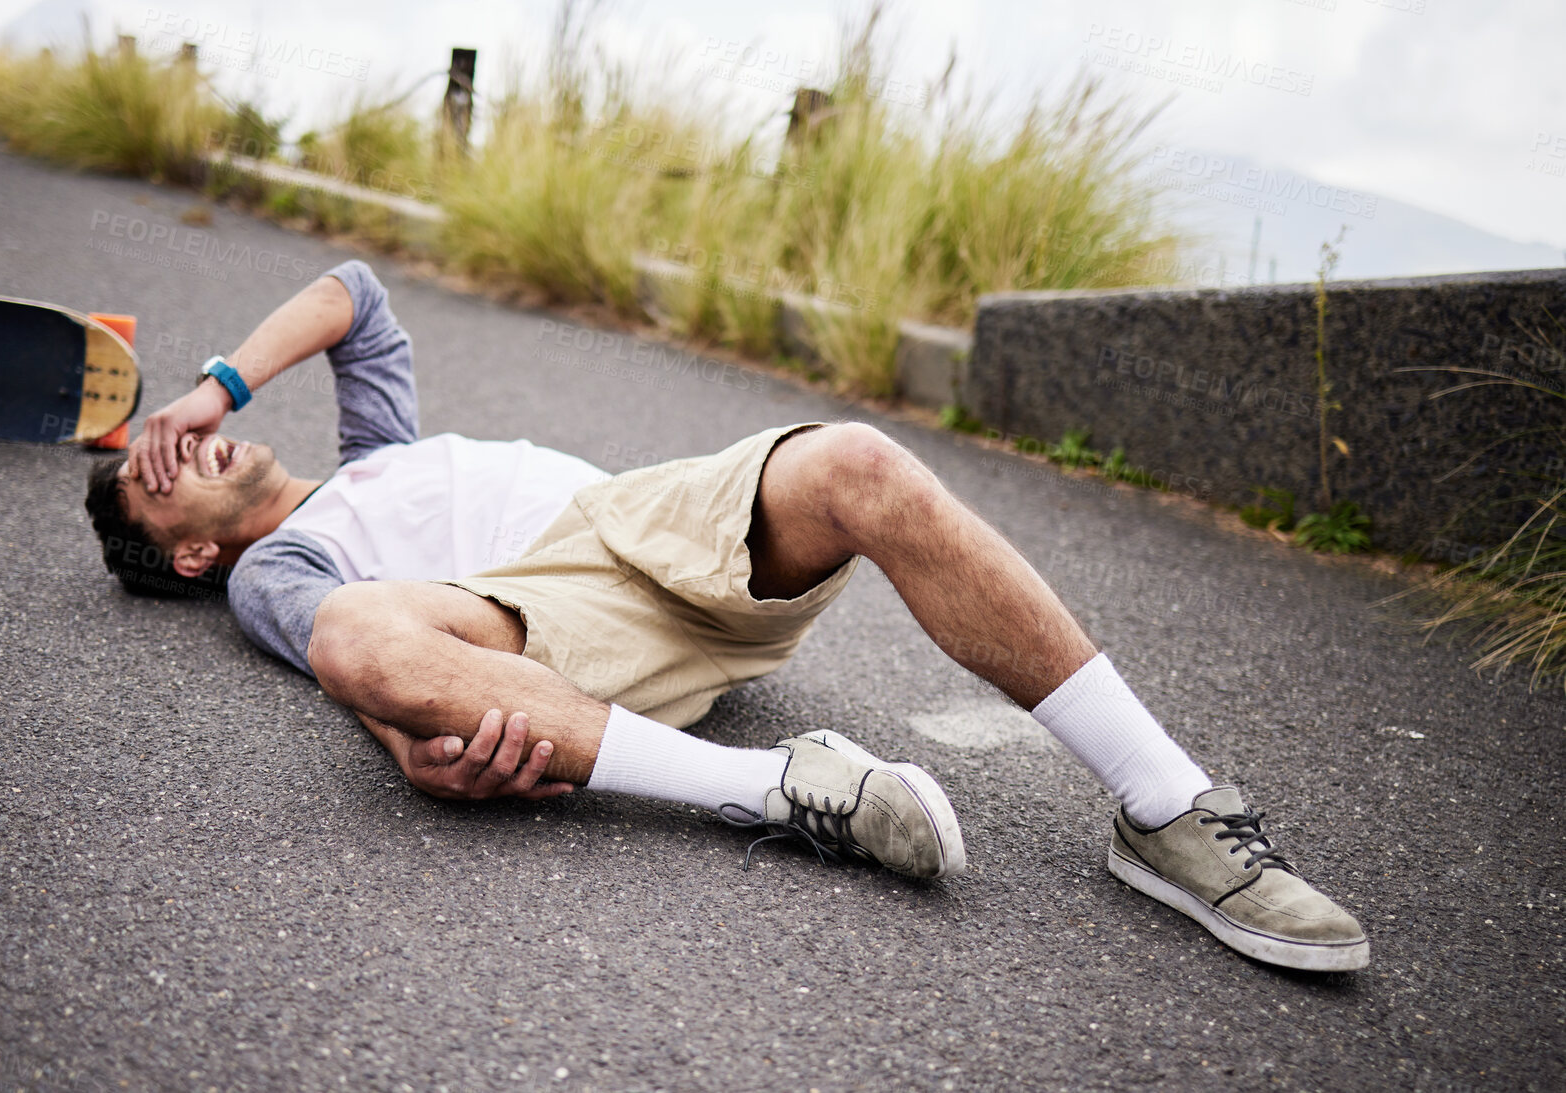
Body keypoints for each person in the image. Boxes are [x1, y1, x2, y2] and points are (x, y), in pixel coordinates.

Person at [84, 259, 1369, 972]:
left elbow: (354, 293)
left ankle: (1168, 809)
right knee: (359, 635)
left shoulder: (372, 451)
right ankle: (781, 786)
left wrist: (211, 387)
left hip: (653, 528)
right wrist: (411, 739)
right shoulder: (276, 566)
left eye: (168, 446)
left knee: (857, 462)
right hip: (540, 627)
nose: (174, 455)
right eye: (153, 482)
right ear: (190, 558)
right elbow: (350, 656)